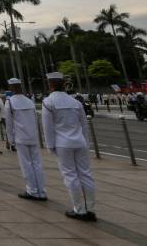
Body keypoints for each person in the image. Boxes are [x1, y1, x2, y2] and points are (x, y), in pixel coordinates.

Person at [42, 71, 96, 221]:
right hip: (80, 142)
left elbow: (48, 127)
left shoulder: (48, 102)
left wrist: (50, 146)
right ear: (63, 85)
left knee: (70, 176)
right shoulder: (75, 102)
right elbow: (84, 125)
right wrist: (86, 142)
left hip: (63, 143)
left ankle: (79, 209)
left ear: (50, 84)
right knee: (86, 174)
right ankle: (90, 209)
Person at [4, 78, 47, 201]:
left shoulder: (10, 102)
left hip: (21, 137)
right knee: (37, 164)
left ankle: (32, 190)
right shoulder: (29, 101)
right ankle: (41, 191)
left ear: (11, 88)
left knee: (26, 164)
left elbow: (9, 123)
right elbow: (35, 119)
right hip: (33, 137)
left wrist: (10, 140)